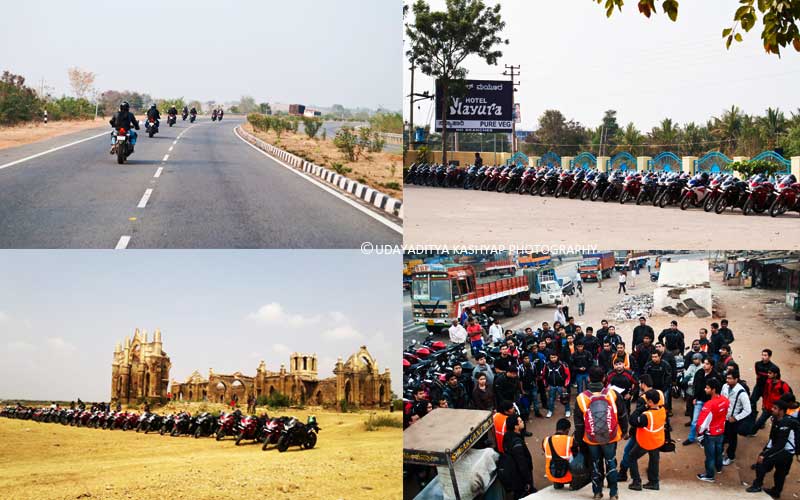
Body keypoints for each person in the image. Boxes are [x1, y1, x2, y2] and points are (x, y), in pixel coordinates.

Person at [574, 366, 627, 500]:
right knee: (611, 462)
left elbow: (579, 424)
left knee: (595, 464)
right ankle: (613, 493)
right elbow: (622, 415)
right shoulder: (613, 394)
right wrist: (624, 431)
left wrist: (580, 440)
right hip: (611, 436)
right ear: (604, 378)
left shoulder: (581, 398)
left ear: (588, 378)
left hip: (591, 439)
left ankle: (597, 492)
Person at [746, 400, 800, 497]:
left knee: (764, 464)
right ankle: (776, 492)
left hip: (786, 451)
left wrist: (764, 454)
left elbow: (780, 445)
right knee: (779, 472)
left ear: (782, 411)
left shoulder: (786, 423)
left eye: (775, 408)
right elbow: (773, 438)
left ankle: (758, 485)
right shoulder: (776, 420)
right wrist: (766, 449)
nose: (772, 409)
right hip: (782, 450)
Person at [627, 389, 666, 491]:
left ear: (650, 402)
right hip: (657, 440)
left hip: (646, 441)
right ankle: (654, 482)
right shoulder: (662, 410)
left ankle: (636, 482)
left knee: (631, 457)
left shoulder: (647, 416)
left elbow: (633, 420)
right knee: (654, 460)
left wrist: (640, 408)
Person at [696, 378, 729, 482]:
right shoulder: (725, 400)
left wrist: (699, 433)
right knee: (719, 451)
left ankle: (710, 475)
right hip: (721, 431)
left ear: (713, 390)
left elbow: (701, 424)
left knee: (710, 456)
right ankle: (719, 468)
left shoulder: (709, 405)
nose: (705, 389)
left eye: (707, 388)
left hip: (710, 434)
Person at [686, 357, 723, 445]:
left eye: (707, 364)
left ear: (711, 366)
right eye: (704, 363)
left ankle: (703, 439)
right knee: (695, 421)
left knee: (707, 422)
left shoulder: (716, 376)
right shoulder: (699, 372)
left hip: (709, 403)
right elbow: (695, 385)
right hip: (699, 400)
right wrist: (695, 397)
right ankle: (691, 438)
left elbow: (718, 390)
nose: (704, 365)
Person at [721, 370, 752, 466]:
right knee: (723, 435)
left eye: (730, 378)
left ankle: (730, 456)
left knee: (732, 439)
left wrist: (736, 418)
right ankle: (721, 452)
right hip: (723, 417)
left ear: (736, 379)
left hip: (732, 420)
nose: (727, 380)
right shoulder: (725, 387)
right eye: (727, 378)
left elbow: (748, 410)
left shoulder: (741, 392)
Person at [504, 414, 537, 498]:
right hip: (520, 477)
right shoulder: (517, 443)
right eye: (521, 421)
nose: (523, 422)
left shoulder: (507, 435)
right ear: (516, 427)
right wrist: (528, 481)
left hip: (514, 473)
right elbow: (522, 464)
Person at [753, 366, 793, 435]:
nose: (768, 374)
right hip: (768, 407)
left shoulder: (783, 385)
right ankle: (752, 432)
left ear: (775, 374)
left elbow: (787, 398)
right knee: (760, 421)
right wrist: (764, 403)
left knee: (775, 426)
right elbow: (765, 394)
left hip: (778, 409)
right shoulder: (768, 382)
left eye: (770, 373)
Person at [542, 418, 575, 489]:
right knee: (580, 458)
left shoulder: (546, 440)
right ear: (567, 430)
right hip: (568, 476)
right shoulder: (570, 440)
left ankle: (557, 483)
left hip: (551, 474)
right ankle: (573, 484)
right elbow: (576, 455)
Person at [543, 352, 571, 419]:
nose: (553, 359)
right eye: (551, 357)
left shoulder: (563, 364)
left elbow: (568, 376)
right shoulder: (546, 365)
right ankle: (550, 411)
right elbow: (544, 376)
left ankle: (567, 410)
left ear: (557, 357)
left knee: (565, 398)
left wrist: (565, 386)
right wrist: (546, 385)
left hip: (561, 386)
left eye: (554, 357)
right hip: (551, 386)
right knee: (551, 399)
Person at [682, 353, 704, 421]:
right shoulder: (691, 366)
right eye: (693, 359)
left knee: (698, 407)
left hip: (699, 390)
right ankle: (692, 420)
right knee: (690, 406)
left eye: (696, 359)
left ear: (700, 359)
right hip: (690, 390)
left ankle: (698, 421)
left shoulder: (703, 367)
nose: (694, 361)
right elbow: (686, 376)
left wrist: (692, 380)